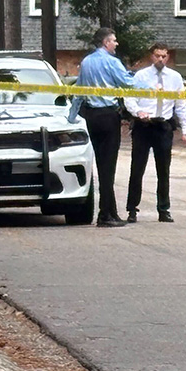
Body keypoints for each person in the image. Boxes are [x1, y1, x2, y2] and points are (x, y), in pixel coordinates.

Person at [68, 27, 135, 228]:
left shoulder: (86, 62)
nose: (116, 44)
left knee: (100, 165)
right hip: (108, 116)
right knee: (108, 167)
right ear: (106, 43)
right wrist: (146, 84)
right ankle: (105, 215)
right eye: (113, 40)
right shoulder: (112, 62)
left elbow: (79, 90)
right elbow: (127, 83)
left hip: (91, 117)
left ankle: (110, 211)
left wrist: (72, 117)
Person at [123, 42, 186, 223]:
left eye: (164, 56)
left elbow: (181, 104)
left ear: (168, 56)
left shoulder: (175, 78)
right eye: (157, 56)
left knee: (164, 170)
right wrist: (138, 112)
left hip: (163, 126)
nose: (161, 59)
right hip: (144, 126)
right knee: (137, 168)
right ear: (151, 56)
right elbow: (129, 99)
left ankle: (163, 209)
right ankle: (132, 209)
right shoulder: (141, 76)